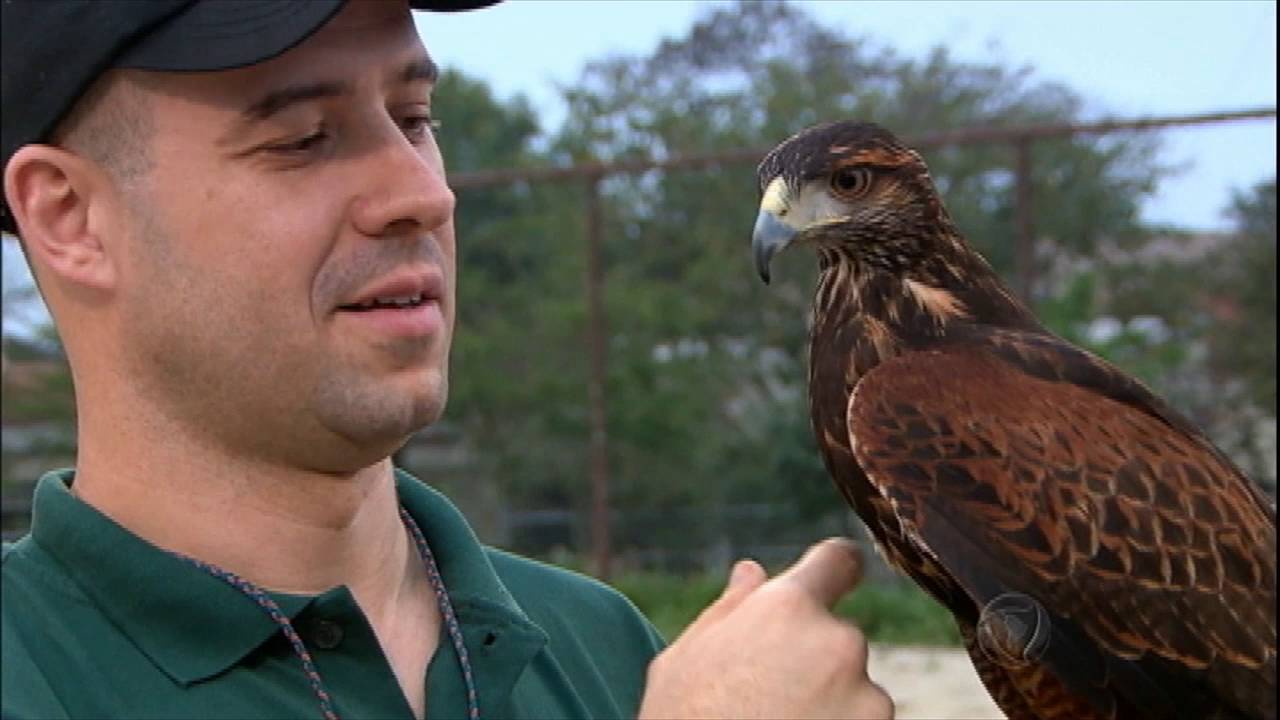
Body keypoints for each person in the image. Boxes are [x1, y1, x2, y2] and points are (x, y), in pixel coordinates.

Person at [0, 2, 895, 718]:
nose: (421, 193)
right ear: (69, 217)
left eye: (415, 118)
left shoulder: (601, 647)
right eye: (303, 138)